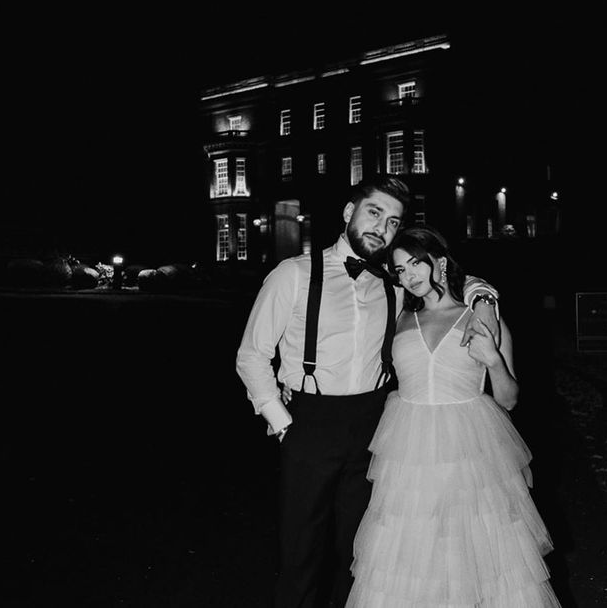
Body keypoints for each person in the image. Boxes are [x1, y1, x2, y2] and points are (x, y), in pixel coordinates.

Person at [235, 176, 500, 607]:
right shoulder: (294, 275)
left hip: (375, 425)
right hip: (309, 423)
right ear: (348, 213)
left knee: (363, 554)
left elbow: (449, 280)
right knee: (301, 553)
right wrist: (283, 423)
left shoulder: (395, 282)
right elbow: (251, 356)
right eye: (374, 212)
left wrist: (484, 295)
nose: (382, 227)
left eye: (393, 221)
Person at [346, 226, 562, 607]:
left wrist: (493, 360)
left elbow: (509, 399)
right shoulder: (398, 317)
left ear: (439, 262)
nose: (409, 276)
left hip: (468, 450)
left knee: (475, 553)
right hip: (409, 454)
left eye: (416, 263)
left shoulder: (479, 318)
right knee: (410, 555)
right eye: (400, 269)